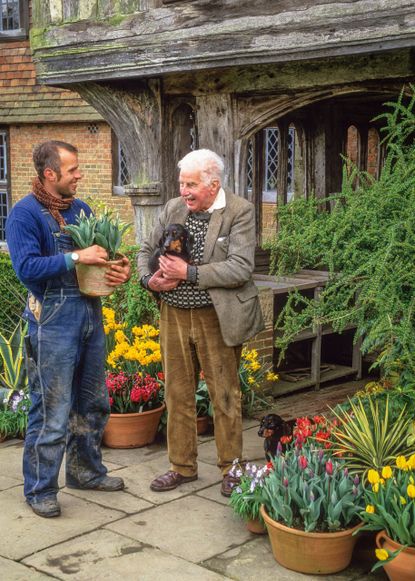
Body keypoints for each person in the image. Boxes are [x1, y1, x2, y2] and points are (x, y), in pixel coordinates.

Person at [5, 140, 131, 518]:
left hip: (89, 311)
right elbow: (27, 268)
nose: (79, 175)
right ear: (50, 174)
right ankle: (40, 488)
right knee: (51, 409)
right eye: (72, 169)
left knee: (93, 402)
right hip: (52, 320)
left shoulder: (80, 210)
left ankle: (85, 471)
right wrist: (76, 255)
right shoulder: (23, 215)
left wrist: (116, 268)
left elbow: (99, 261)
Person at [137, 149, 264, 496]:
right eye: (181, 183)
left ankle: (231, 468)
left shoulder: (240, 211)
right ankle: (181, 466)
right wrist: (150, 280)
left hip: (216, 317)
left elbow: (240, 267)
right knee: (177, 394)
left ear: (213, 184)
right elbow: (145, 251)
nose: (184, 191)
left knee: (224, 394)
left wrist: (188, 272)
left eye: (191, 184)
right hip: (174, 313)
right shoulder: (172, 208)